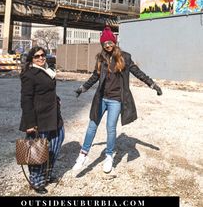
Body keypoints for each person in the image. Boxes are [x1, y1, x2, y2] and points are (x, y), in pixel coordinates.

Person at [73, 26, 162, 174]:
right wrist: (83, 88)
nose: (108, 45)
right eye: (105, 43)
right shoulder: (100, 58)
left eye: (110, 42)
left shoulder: (125, 57)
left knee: (111, 128)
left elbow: (137, 72)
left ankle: (109, 156)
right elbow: (95, 76)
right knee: (92, 126)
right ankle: (83, 154)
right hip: (101, 98)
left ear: (114, 42)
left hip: (116, 100)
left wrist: (152, 84)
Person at [19, 46, 64, 194]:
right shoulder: (29, 74)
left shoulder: (48, 71)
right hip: (39, 118)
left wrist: (56, 99)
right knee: (38, 149)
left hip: (53, 115)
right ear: (31, 59)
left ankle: (47, 175)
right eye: (37, 56)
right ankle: (36, 182)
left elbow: (49, 90)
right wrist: (30, 123)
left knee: (56, 143)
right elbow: (26, 99)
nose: (40, 58)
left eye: (42, 55)